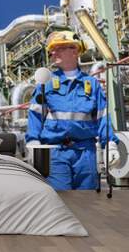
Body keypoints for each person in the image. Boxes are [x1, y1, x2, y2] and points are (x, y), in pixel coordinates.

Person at [26, 30, 120, 190]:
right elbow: (35, 115)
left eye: (59, 48)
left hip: (86, 154)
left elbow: (102, 117)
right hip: (55, 153)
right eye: (52, 50)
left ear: (75, 50)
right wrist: (33, 143)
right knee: (61, 201)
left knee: (88, 202)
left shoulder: (92, 85)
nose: (53, 52)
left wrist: (110, 144)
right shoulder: (46, 83)